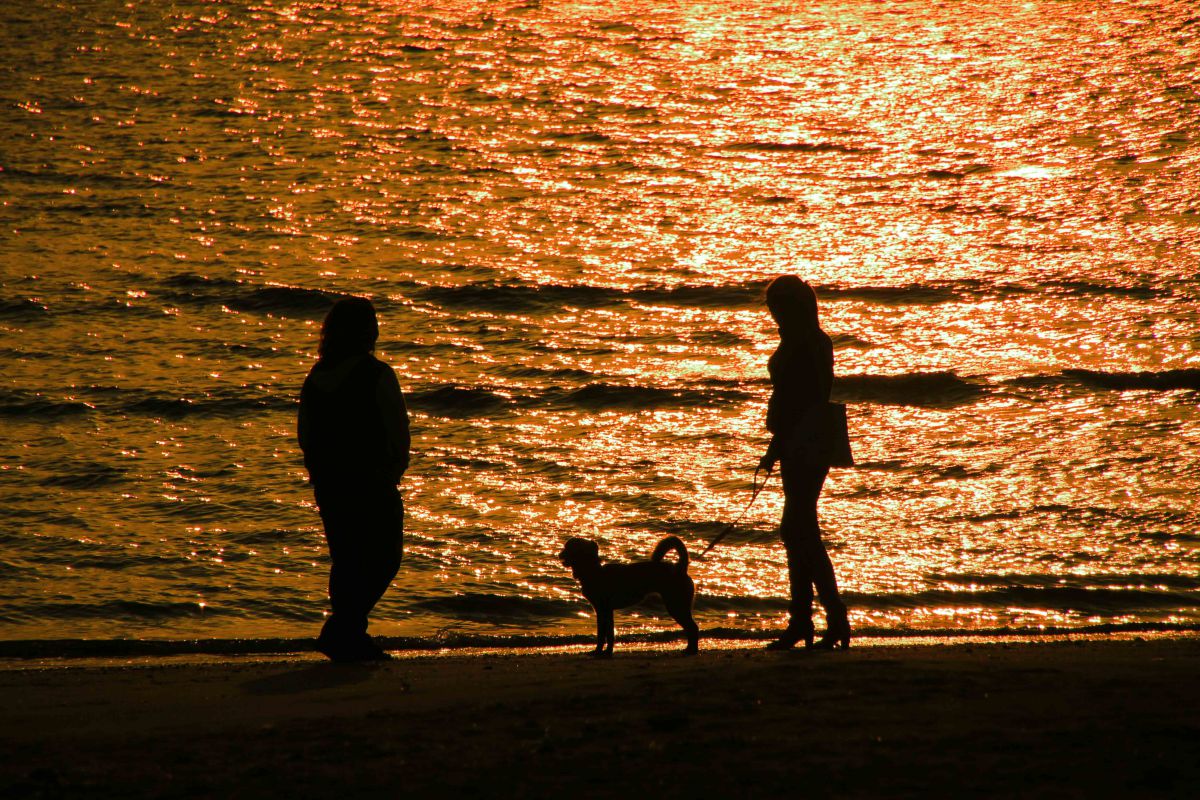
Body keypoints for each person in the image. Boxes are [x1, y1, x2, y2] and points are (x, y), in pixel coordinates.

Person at [298, 296, 410, 662]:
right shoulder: (376, 374)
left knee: (347, 558)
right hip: (370, 480)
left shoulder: (316, 377)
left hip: (331, 483)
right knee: (384, 557)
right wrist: (394, 469)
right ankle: (344, 629)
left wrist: (317, 472)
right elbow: (396, 427)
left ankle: (348, 631)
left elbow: (306, 434)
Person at [757, 275, 851, 650]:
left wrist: (779, 441)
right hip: (800, 439)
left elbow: (802, 398)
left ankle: (829, 617)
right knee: (797, 531)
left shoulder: (806, 340)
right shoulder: (805, 338)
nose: (773, 314)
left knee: (799, 530)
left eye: (777, 307)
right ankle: (807, 620)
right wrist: (776, 444)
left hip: (805, 441)